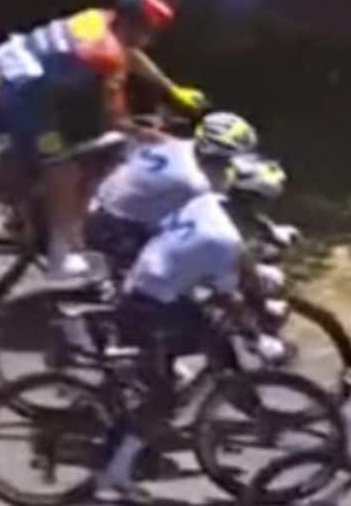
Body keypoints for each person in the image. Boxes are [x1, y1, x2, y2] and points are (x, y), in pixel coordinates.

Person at [0, 0, 204, 280]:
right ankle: (60, 256)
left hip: (4, 69)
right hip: (18, 92)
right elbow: (117, 121)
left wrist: (170, 88)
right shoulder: (105, 53)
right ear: (135, 25)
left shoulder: (98, 18)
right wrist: (166, 141)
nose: (153, 39)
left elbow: (130, 53)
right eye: (151, 31)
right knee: (63, 166)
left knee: (58, 139)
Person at [94, 152, 288, 501]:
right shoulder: (223, 240)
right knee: (165, 397)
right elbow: (233, 294)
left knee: (213, 336)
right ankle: (114, 474)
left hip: (154, 285)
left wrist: (272, 232)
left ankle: (210, 386)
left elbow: (242, 250)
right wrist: (259, 338)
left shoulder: (210, 202)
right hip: (148, 303)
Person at [85, 110, 260, 273]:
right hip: (114, 226)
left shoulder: (177, 144)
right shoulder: (194, 182)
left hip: (97, 200)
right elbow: (210, 214)